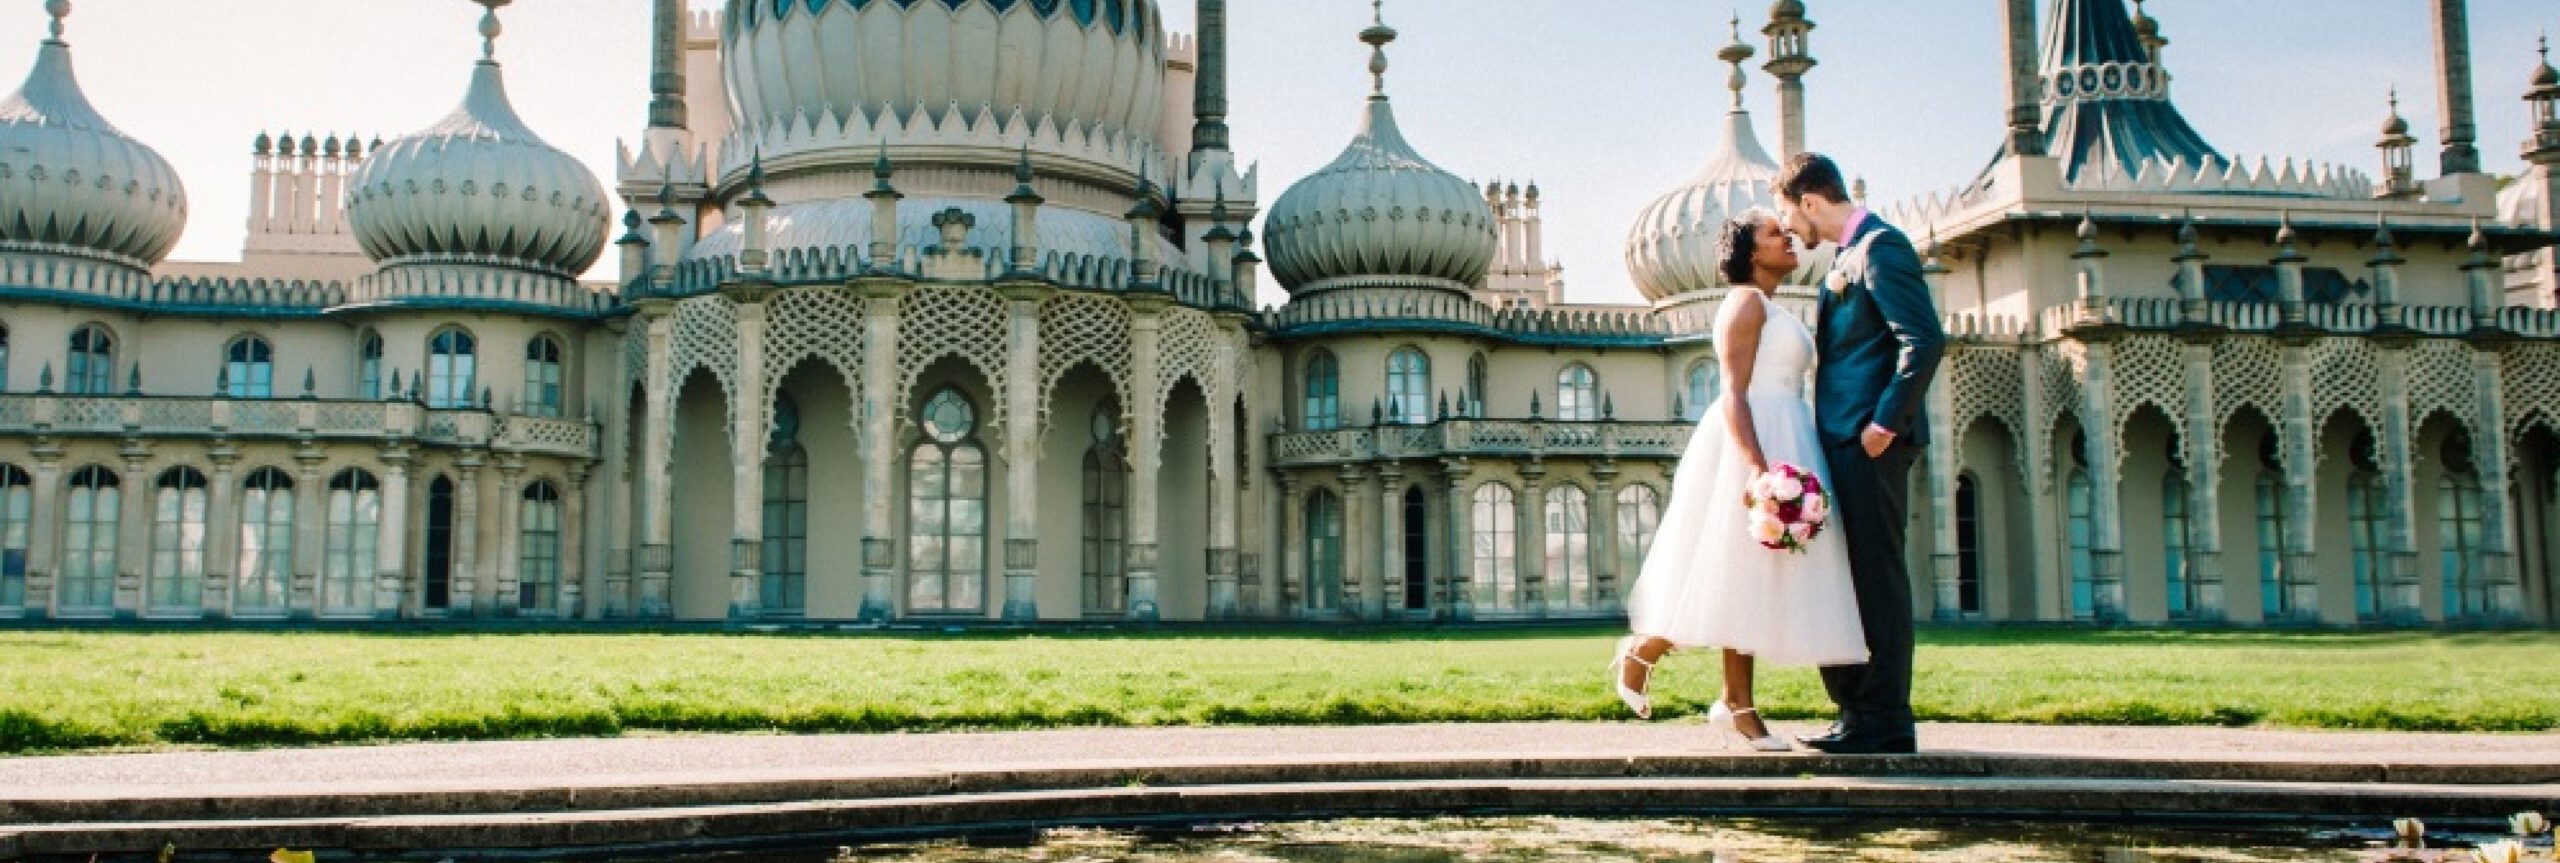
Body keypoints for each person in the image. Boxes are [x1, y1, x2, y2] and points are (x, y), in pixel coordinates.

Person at [1612, 206, 1870, 752]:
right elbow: (1731, 391)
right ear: (1752, 252)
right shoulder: (1744, 302)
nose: (1787, 239)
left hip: (1790, 433)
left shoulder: (1775, 307)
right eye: (1775, 234)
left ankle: (1730, 699)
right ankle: (1653, 655)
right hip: (1752, 441)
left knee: (1749, 577)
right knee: (1730, 567)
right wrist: (1756, 467)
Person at [1775, 152, 1945, 756]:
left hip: (1869, 443)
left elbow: (1922, 340)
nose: (1791, 229)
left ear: (1811, 202)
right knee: (1854, 579)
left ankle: (1885, 719)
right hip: (1845, 440)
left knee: (1878, 579)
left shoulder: (1880, 248)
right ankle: (1859, 712)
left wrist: (1883, 423)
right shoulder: (1849, 257)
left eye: (1789, 216)